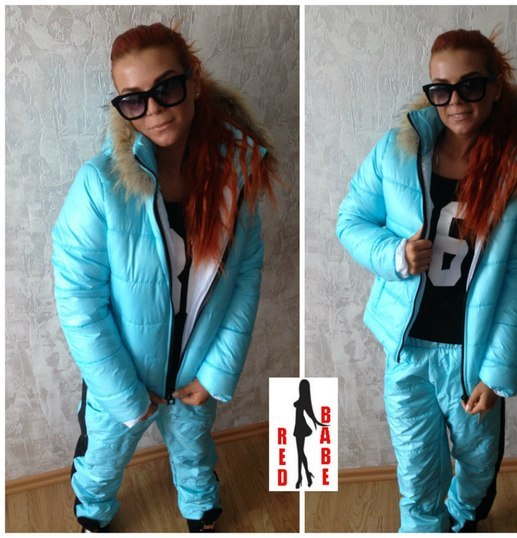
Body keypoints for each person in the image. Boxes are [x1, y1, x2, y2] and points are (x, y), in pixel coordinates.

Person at [52, 22, 277, 533]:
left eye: (167, 88)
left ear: (193, 82)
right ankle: (92, 513)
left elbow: (245, 276)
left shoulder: (236, 174)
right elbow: (78, 300)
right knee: (103, 458)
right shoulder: (99, 185)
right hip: (121, 374)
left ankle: (201, 507)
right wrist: (124, 394)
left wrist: (217, 372)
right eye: (133, 99)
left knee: (195, 449)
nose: (153, 109)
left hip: (196, 371)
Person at [336, 29, 517, 533]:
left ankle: (463, 514)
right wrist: (394, 255)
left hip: (471, 356)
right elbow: (350, 221)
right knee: (417, 469)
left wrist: (496, 374)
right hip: (407, 349)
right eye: (441, 89)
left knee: (477, 465)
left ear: (495, 87)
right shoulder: (397, 151)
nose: (455, 101)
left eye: (470, 85)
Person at [293, 379, 327, 489]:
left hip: (300, 428)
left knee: (300, 453)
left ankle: (302, 476)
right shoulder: (302, 401)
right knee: (300, 453)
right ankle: (305, 475)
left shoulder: (302, 402)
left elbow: (302, 410)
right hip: (299, 427)